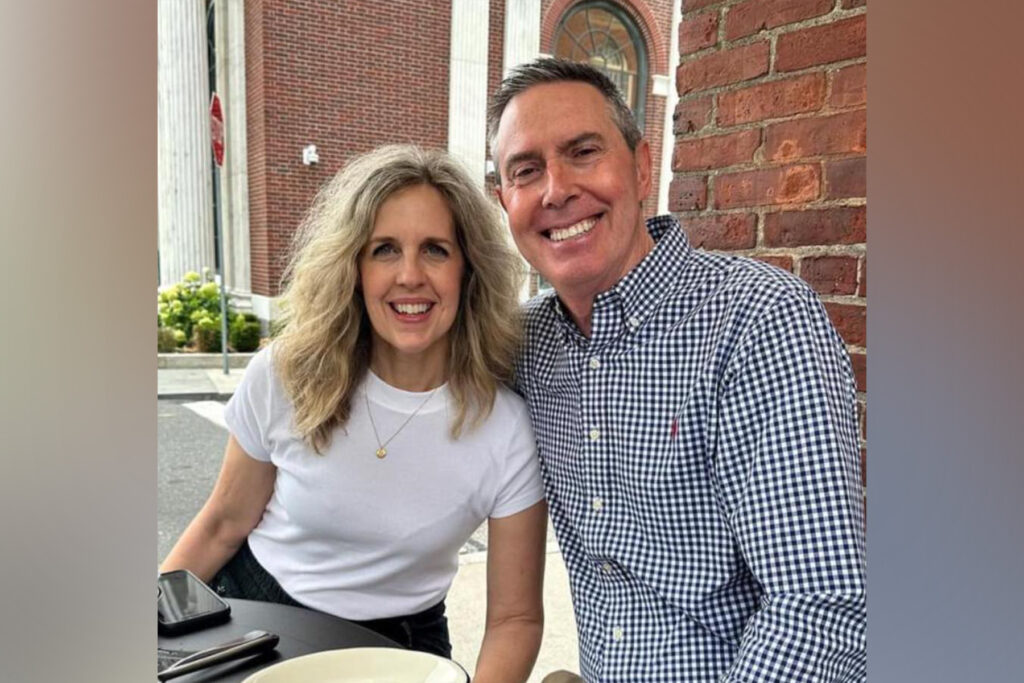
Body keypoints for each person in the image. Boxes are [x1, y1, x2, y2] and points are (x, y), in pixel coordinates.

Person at [488, 58, 867, 682]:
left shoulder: (757, 321)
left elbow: (823, 608)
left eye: (583, 152)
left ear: (640, 168)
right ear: (505, 201)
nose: (556, 190)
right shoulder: (525, 344)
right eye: (526, 171)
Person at [161, 145, 547, 682]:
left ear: (468, 269)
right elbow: (223, 525)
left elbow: (515, 618)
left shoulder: (505, 430)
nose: (409, 275)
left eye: (435, 250)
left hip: (400, 648)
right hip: (255, 621)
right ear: (354, 267)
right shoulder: (286, 375)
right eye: (384, 249)